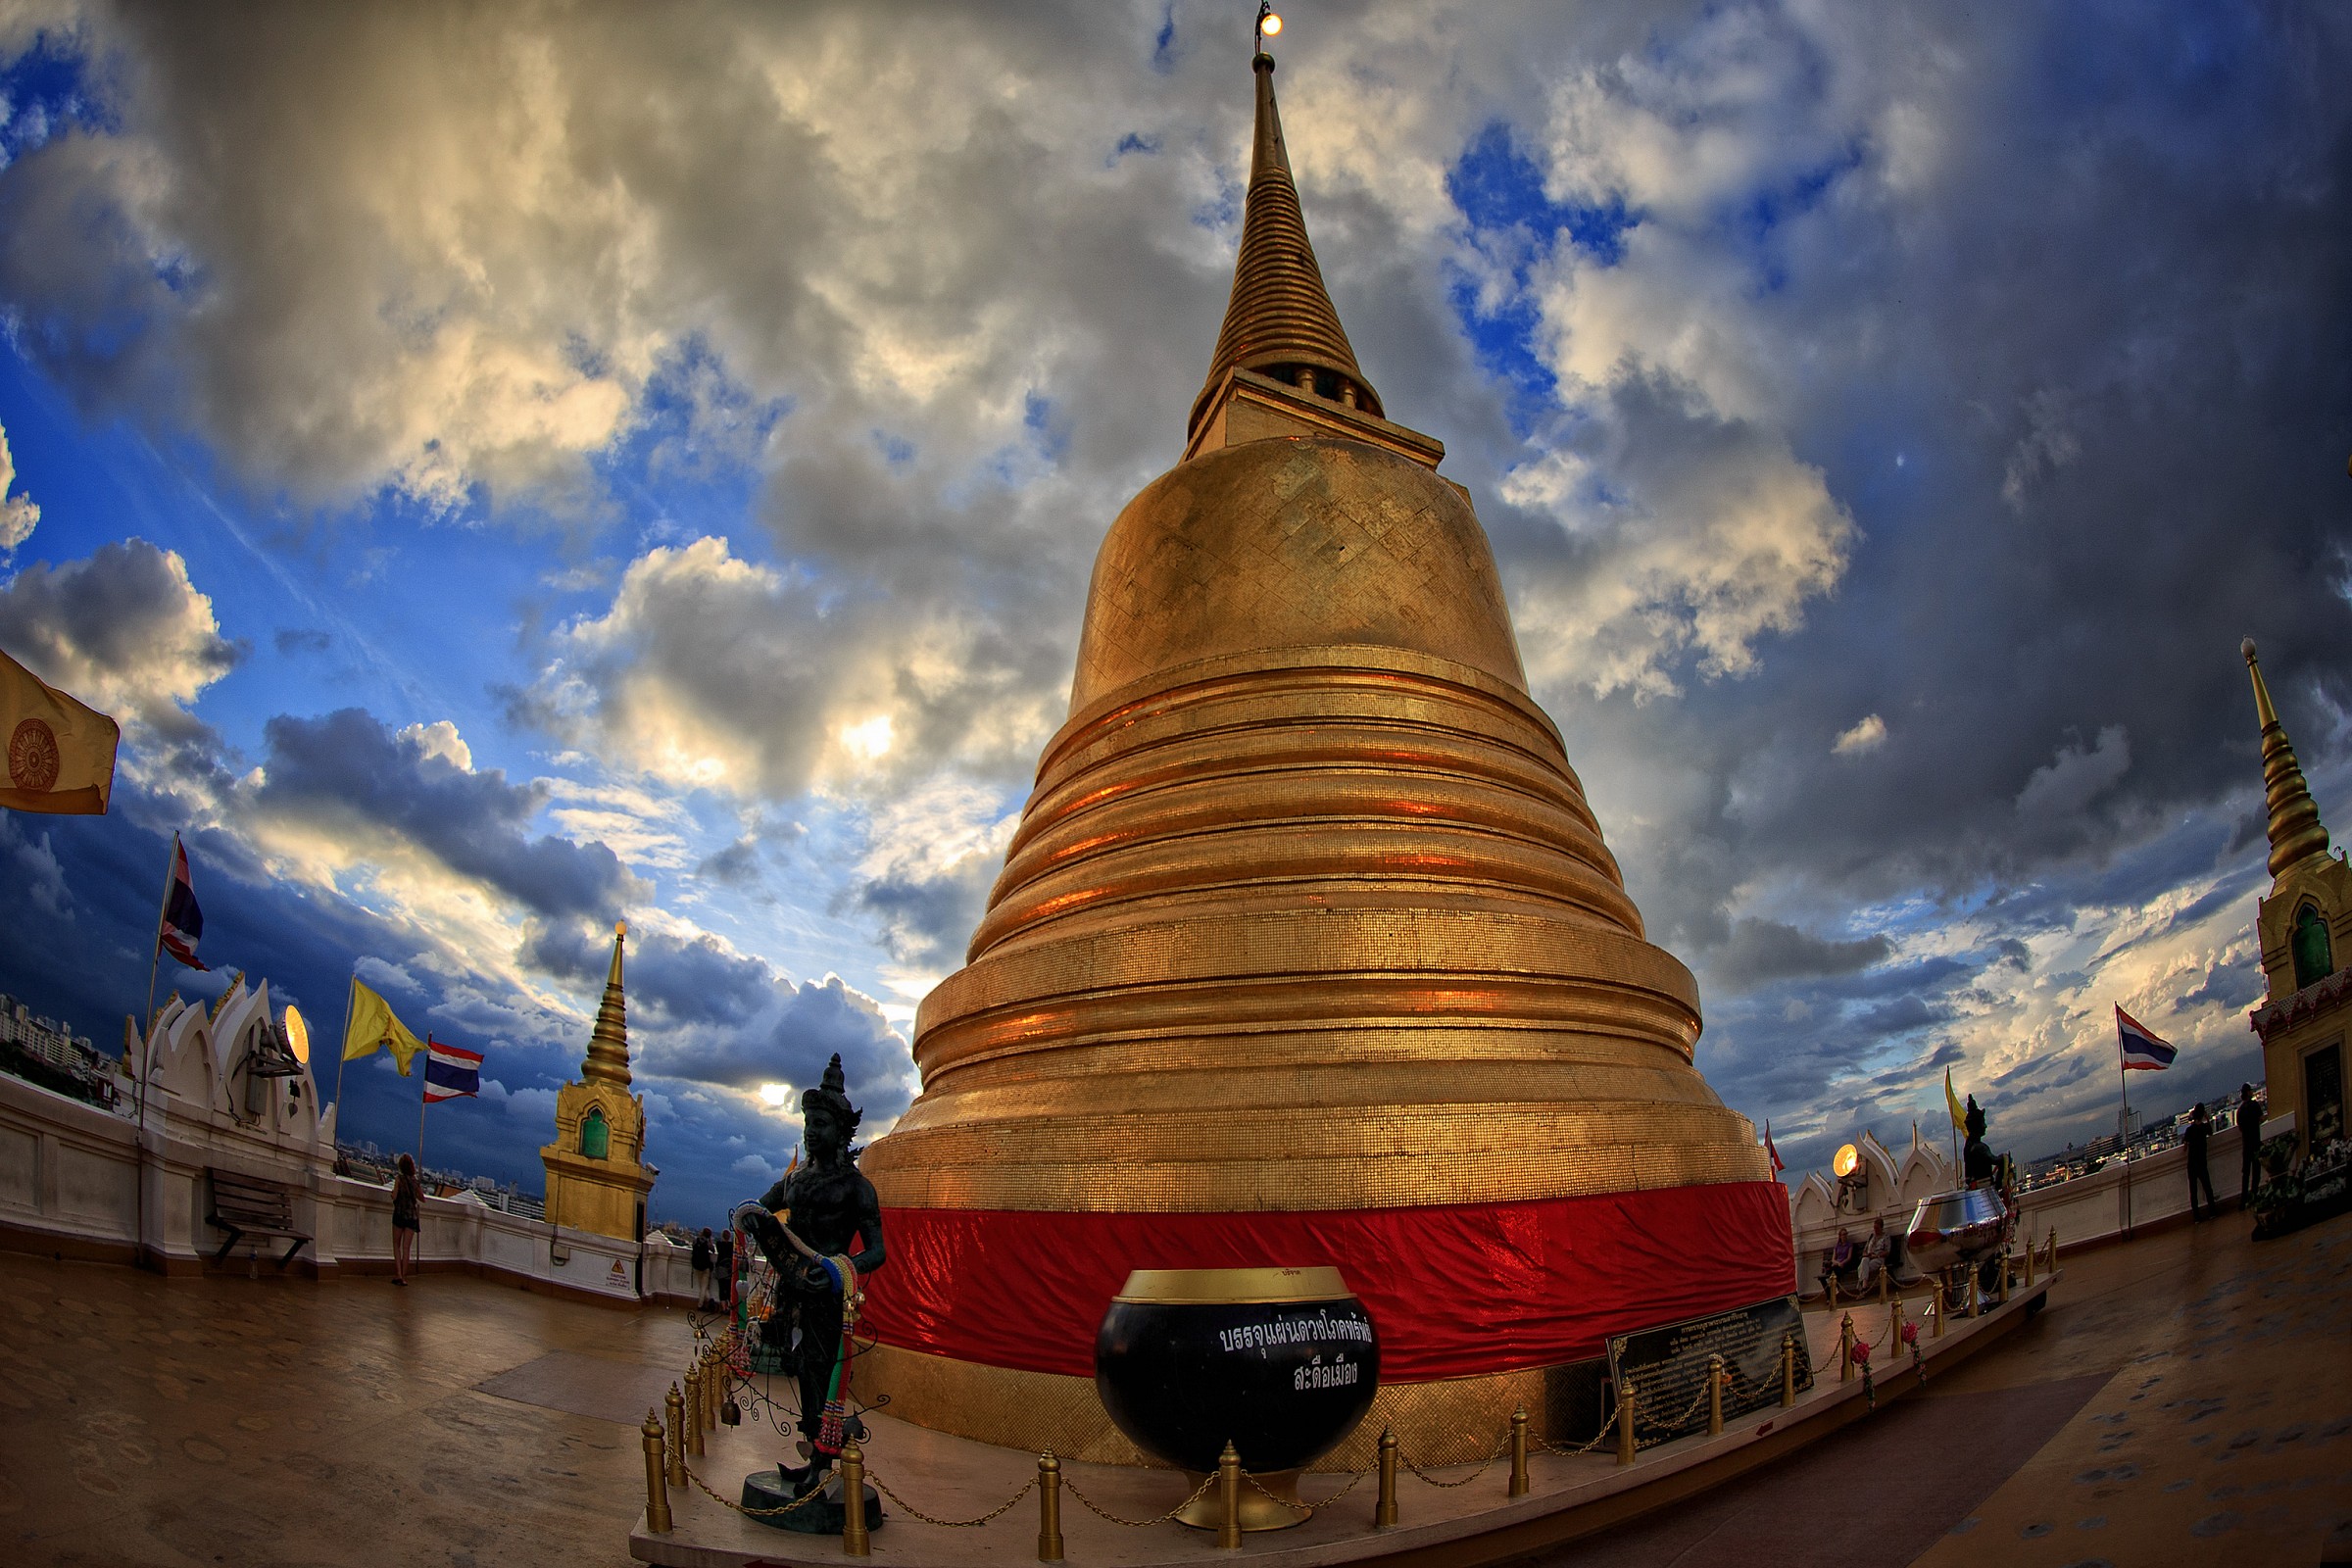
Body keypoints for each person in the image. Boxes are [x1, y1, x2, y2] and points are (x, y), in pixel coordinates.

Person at [739, 1054, 887, 1496]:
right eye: (808, 1123)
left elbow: (877, 1251)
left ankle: (825, 1457)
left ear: (840, 1133)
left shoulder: (857, 1188)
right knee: (797, 1365)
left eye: (820, 1124)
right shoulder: (796, 1182)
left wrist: (842, 1270)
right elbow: (760, 1210)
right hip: (792, 1289)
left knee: (822, 1370)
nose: (811, 1131)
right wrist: (751, 1219)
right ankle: (816, 1451)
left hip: (827, 1292)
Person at [390, 1153, 421, 1285]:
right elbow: (423, 1198)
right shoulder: (415, 1182)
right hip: (412, 1217)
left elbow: (394, 1195)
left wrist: (393, 1194)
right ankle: (404, 1276)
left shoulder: (399, 1179)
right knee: (406, 1248)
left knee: (396, 1245)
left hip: (399, 1214)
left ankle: (398, 1274)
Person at [2184, 1102, 2215, 1221]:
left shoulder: (2189, 1130)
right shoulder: (2204, 1128)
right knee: (2207, 1187)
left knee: (2193, 1191)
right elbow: (2211, 1132)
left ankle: (2196, 1217)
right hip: (2202, 1162)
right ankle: (2212, 1212)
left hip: (2192, 1163)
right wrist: (2207, 1119)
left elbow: (2185, 1147)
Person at [2238, 1082, 2264, 1209]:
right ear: (2248, 1092)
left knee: (2246, 1173)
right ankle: (2254, 1195)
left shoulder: (2240, 1110)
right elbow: (2261, 1119)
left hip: (2246, 1144)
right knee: (2256, 1171)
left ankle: (2243, 1200)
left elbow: (2241, 1128)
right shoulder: (2254, 1105)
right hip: (2255, 1142)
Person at [1858, 1216, 1892, 1293]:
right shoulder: (1872, 1236)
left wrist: (1877, 1255)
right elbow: (1865, 1250)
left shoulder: (1885, 1237)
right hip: (1869, 1257)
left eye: (1877, 1228)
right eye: (1874, 1228)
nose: (1875, 1230)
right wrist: (1867, 1254)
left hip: (1878, 1258)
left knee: (1863, 1268)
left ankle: (1862, 1288)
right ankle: (1864, 1286)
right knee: (1864, 1261)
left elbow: (1887, 1251)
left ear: (1881, 1227)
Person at [690, 1226, 715, 1309]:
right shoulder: (707, 1243)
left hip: (697, 1266)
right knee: (704, 1287)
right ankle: (701, 1304)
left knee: (702, 1286)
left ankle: (708, 1300)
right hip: (705, 1267)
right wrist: (710, 1241)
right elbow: (713, 1250)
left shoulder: (696, 1240)